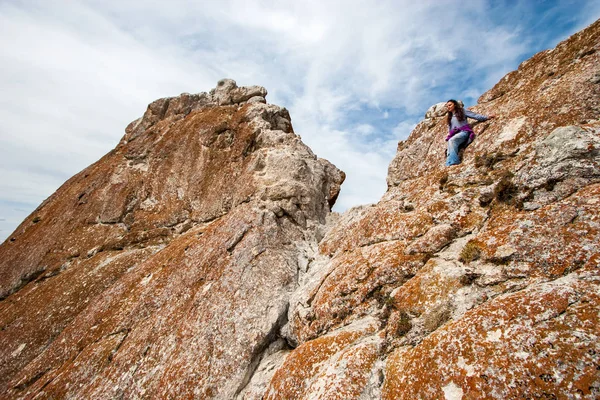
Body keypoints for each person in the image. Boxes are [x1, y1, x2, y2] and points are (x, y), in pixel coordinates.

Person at [445, 99, 495, 166]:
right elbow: (450, 129)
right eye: (447, 106)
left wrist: (487, 117)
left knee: (452, 141)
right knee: (449, 148)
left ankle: (454, 161)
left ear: (455, 105)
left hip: (463, 132)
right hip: (455, 135)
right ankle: (448, 164)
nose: (448, 107)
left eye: (450, 105)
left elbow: (475, 115)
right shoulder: (450, 117)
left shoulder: (462, 111)